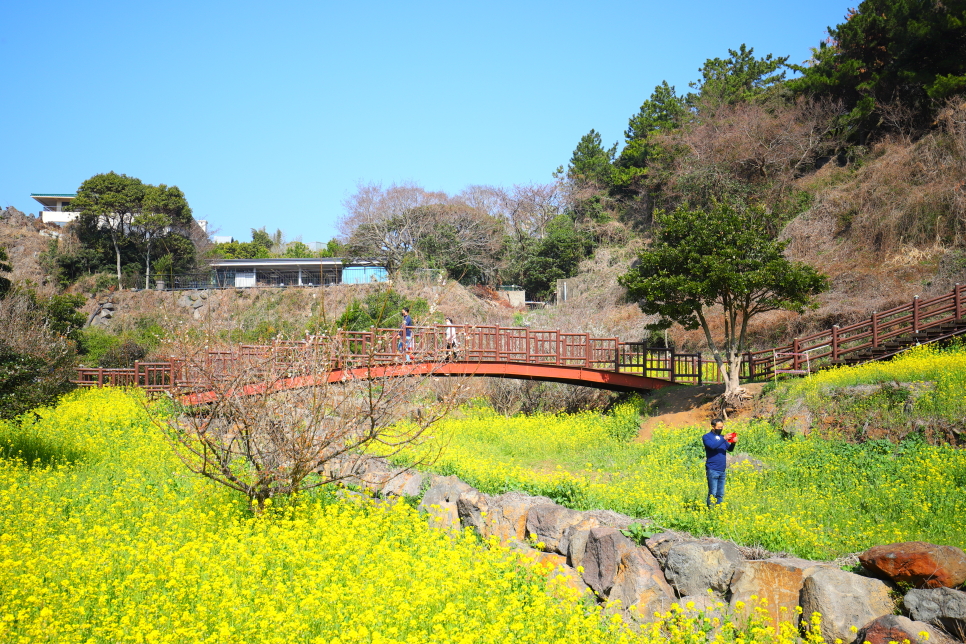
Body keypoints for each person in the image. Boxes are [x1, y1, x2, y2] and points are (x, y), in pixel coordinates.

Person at [702, 417, 737, 507]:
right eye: (719, 427)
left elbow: (730, 449)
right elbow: (712, 446)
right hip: (712, 468)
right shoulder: (706, 437)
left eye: (722, 427)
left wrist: (733, 443)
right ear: (713, 427)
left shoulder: (722, 438)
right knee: (712, 493)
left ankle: (719, 511)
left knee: (720, 493)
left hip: (722, 469)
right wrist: (724, 438)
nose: (721, 429)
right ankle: (710, 511)